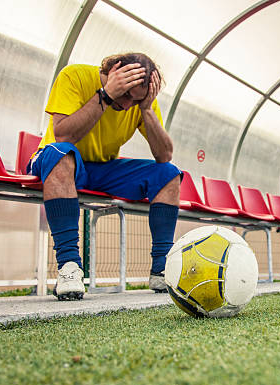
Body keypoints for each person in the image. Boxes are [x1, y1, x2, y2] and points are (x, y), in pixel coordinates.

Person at [28, 53, 182, 300]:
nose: (128, 104)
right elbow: (63, 136)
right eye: (126, 95)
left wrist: (147, 110)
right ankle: (69, 268)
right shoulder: (74, 75)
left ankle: (161, 269)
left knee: (168, 174)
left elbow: (164, 155)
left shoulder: (140, 101)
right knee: (61, 153)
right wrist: (107, 95)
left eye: (137, 100)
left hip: (100, 168)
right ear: (113, 71)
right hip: (55, 159)